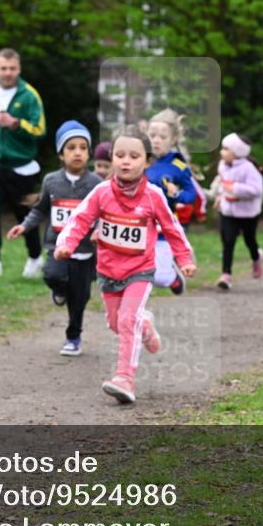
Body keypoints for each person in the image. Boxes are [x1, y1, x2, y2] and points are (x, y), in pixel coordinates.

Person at [55, 126, 196, 404]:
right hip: (108, 270)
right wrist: (66, 244)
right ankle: (147, 325)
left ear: (147, 162)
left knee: (127, 319)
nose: (126, 161)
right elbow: (79, 219)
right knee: (115, 323)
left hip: (140, 271)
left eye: (134, 156)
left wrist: (185, 259)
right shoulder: (101, 191)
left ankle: (125, 378)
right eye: (119, 155)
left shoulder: (153, 196)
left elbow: (173, 228)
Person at [8, 120, 102, 356]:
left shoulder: (96, 184)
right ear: (61, 154)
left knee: (80, 298)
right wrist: (24, 226)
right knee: (52, 274)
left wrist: (99, 229)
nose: (77, 152)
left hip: (85, 250)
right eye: (71, 148)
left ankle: (73, 337)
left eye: (83, 147)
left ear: (89, 152)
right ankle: (59, 289)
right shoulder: (51, 181)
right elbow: (40, 209)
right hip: (58, 245)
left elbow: (104, 211)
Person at [0, 48, 47, 278]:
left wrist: (16, 124)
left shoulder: (29, 95)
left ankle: (35, 257)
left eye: (12, 68)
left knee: (25, 214)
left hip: (22, 164)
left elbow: (40, 129)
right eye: (3, 68)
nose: (7, 73)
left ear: (19, 69)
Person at [146, 109, 195, 295]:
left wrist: (177, 196)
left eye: (162, 136)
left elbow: (191, 194)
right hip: (140, 225)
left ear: (173, 139)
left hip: (164, 227)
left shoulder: (178, 166)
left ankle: (173, 277)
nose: (156, 140)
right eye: (152, 135)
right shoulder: (141, 159)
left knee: (160, 278)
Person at [214, 133, 263, 290]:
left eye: (225, 149)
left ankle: (256, 259)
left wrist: (235, 189)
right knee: (228, 241)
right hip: (228, 211)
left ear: (236, 152)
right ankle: (226, 275)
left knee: (250, 241)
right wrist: (220, 196)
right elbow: (224, 184)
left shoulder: (249, 169)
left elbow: (257, 190)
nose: (221, 152)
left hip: (247, 213)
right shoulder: (223, 165)